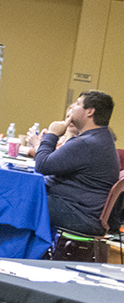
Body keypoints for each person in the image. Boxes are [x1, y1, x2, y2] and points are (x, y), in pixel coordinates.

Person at [34, 91, 118, 235]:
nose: (71, 108)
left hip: (79, 214)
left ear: (90, 111)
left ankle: (10, 255)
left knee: (21, 201)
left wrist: (52, 134)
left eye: (78, 104)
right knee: (25, 196)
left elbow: (42, 166)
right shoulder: (100, 138)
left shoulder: (88, 143)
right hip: (79, 209)